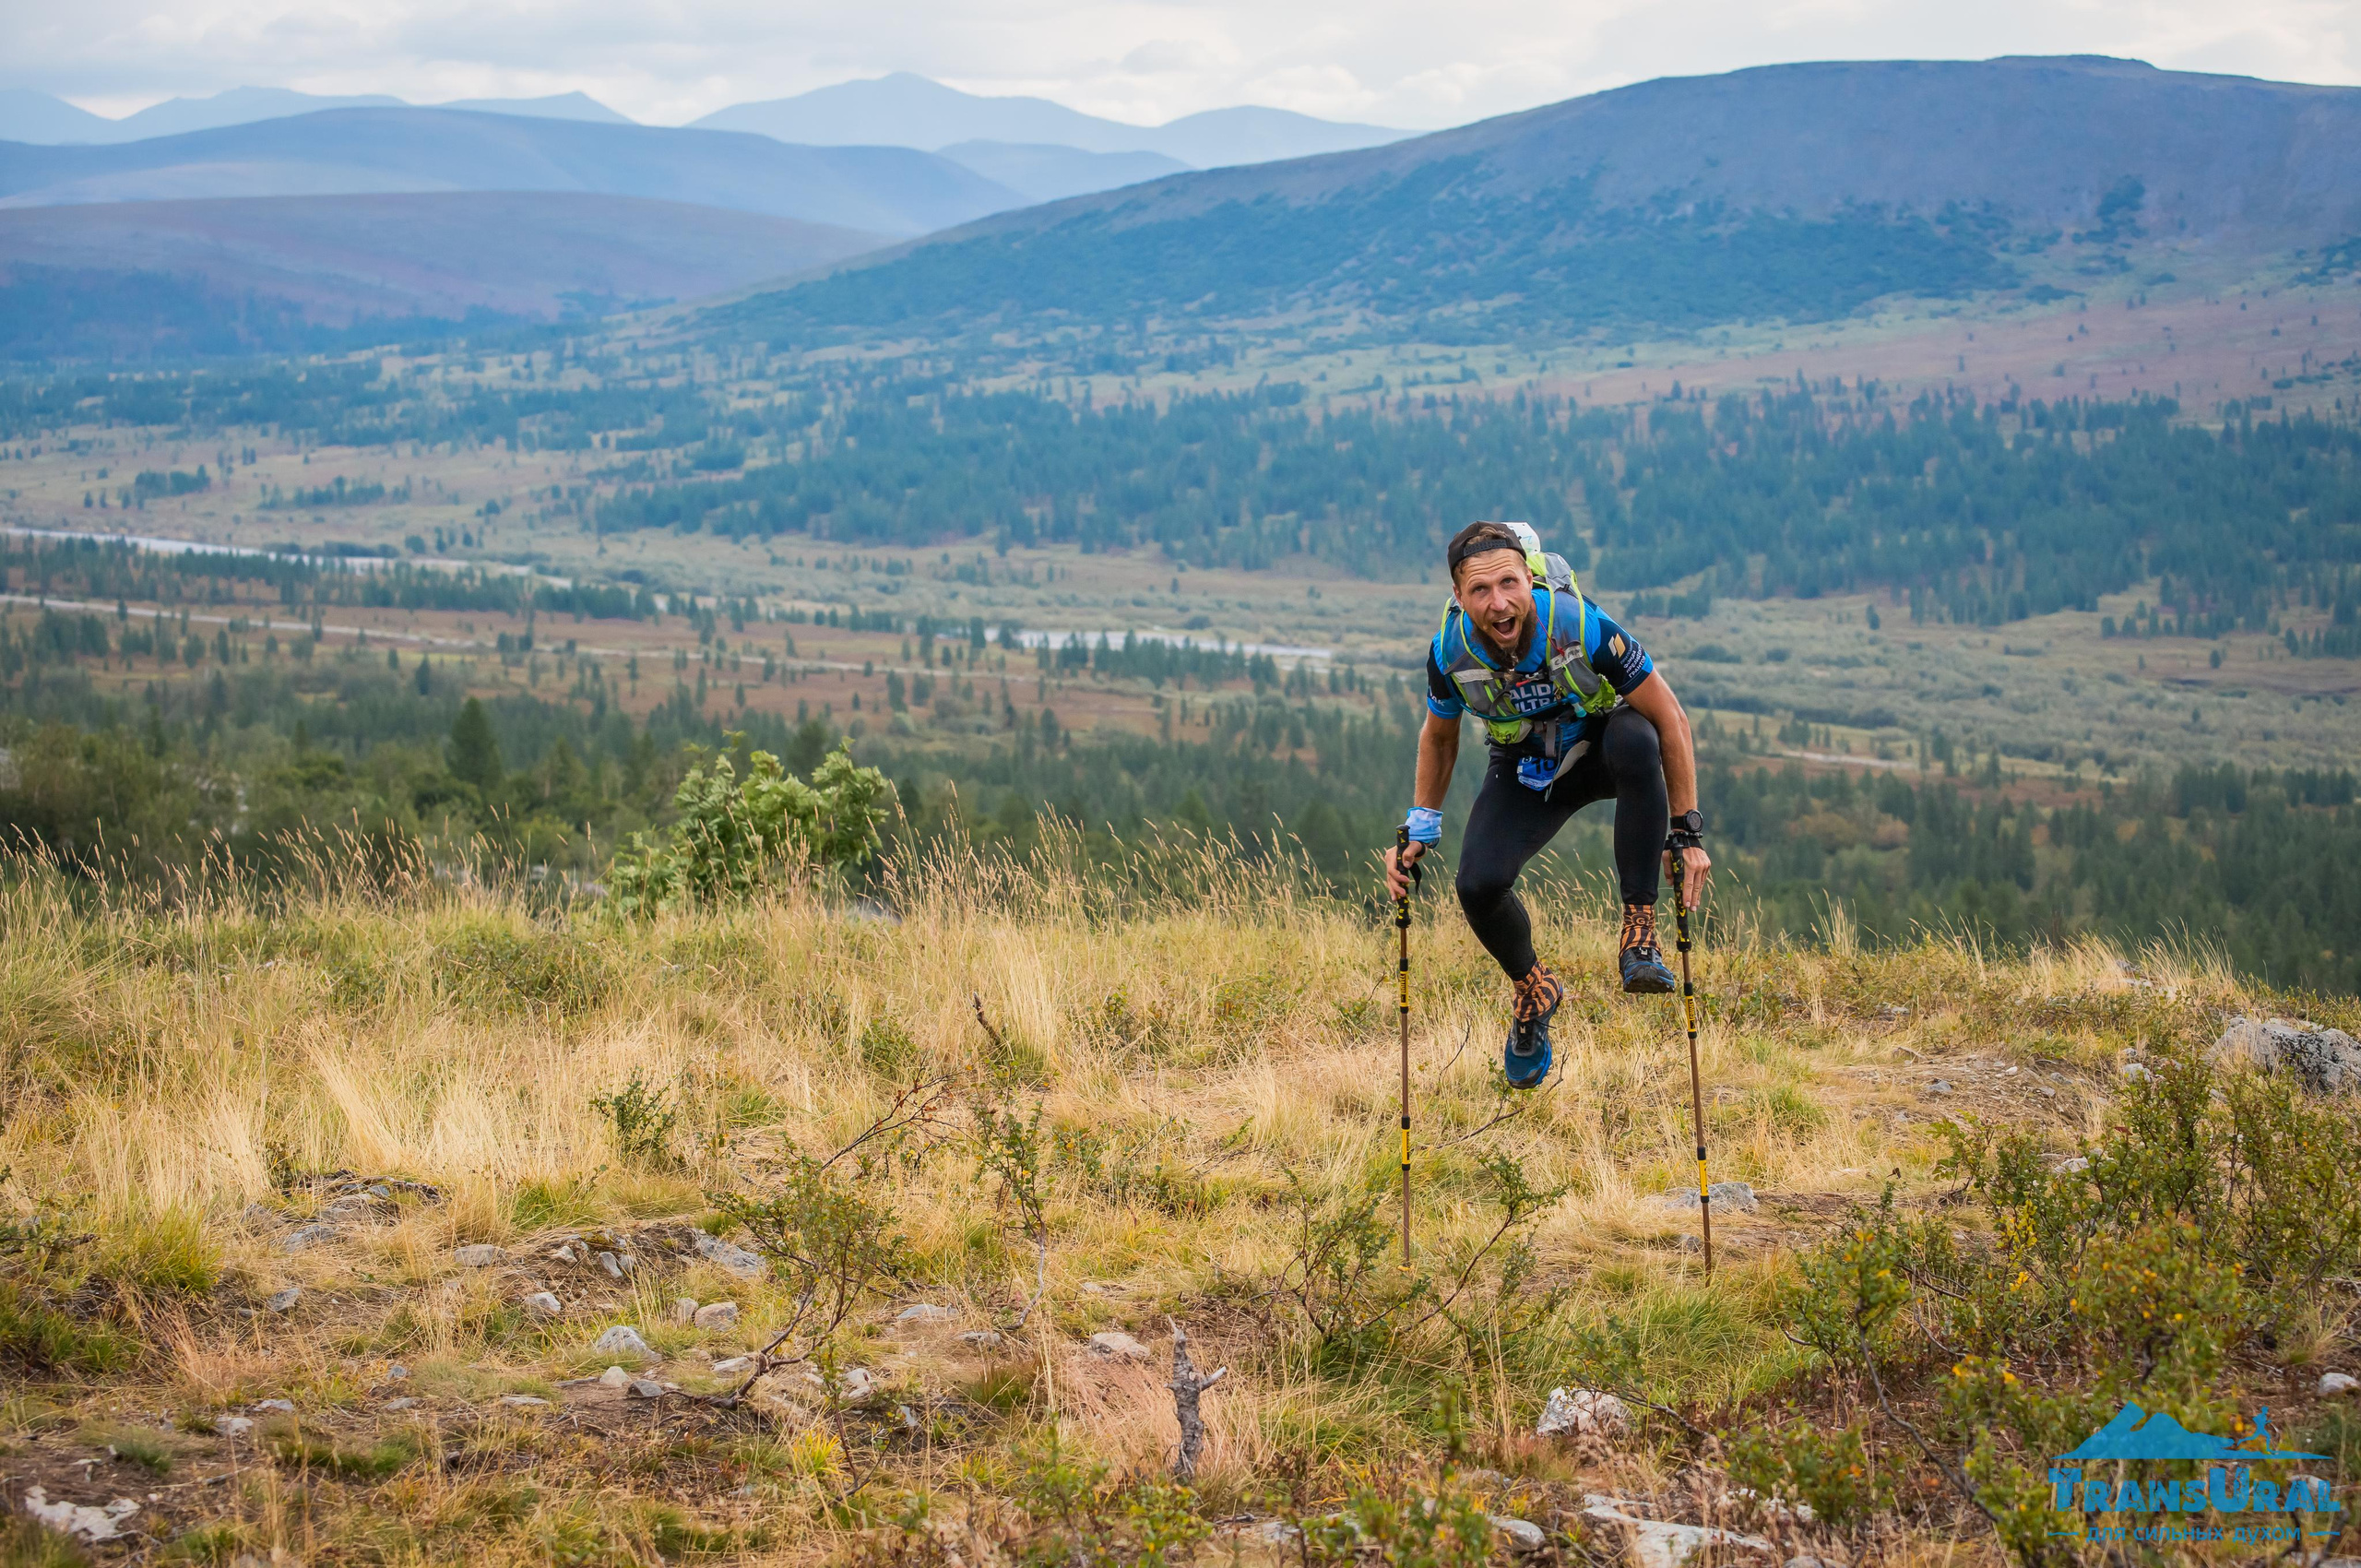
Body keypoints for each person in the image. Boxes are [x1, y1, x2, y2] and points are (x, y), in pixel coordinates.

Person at [1382, 520, 1711, 1089]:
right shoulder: (1450, 651)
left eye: (1508, 583)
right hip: (1525, 766)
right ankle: (1534, 990)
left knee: (1639, 738)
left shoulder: (1581, 625)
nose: (1499, 602)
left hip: (1604, 747)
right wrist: (1421, 826)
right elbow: (1439, 736)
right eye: (1479, 591)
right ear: (1458, 598)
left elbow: (1670, 718)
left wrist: (1686, 833)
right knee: (1477, 884)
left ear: (1529, 579)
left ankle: (1639, 936)